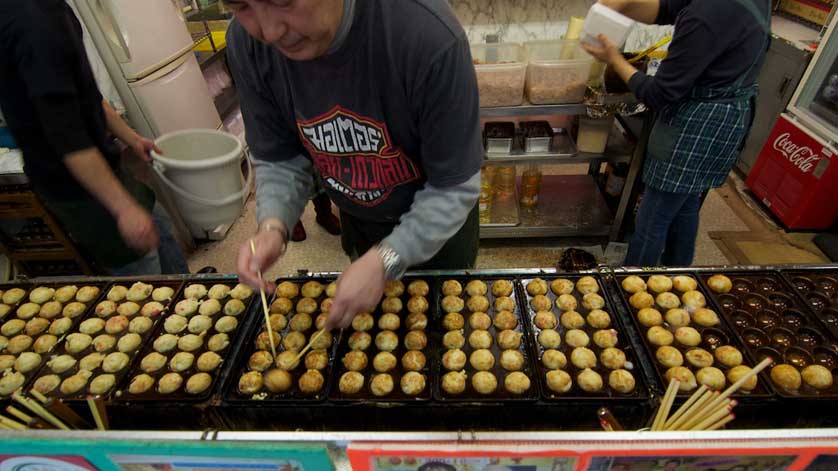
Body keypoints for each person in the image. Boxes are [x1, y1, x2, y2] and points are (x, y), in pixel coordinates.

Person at [227, 0, 482, 328]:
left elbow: (453, 185)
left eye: (282, 1)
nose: (268, 31)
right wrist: (273, 226)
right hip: (359, 218)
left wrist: (386, 259)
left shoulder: (428, 35)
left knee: (443, 331)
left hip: (441, 231)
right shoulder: (248, 44)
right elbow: (279, 157)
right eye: (241, 6)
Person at [0, 0, 189, 275]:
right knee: (141, 268)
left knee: (160, 229)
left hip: (101, 165)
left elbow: (86, 93)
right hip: (76, 184)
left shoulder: (53, 9)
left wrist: (132, 138)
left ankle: (186, 291)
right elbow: (67, 137)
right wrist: (123, 208)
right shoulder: (32, 22)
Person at [582, 0, 770, 267]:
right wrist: (622, 5)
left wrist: (614, 59)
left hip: (698, 123)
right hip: (729, 115)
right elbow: (670, 8)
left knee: (653, 217)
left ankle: (634, 285)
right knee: (686, 202)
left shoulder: (706, 14)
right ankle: (679, 272)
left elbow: (660, 94)